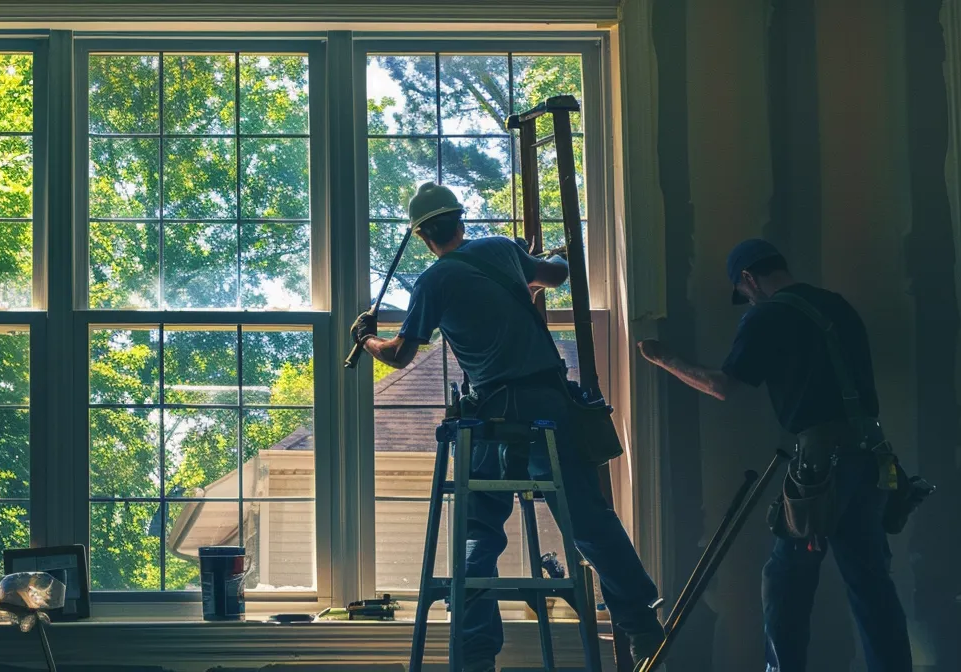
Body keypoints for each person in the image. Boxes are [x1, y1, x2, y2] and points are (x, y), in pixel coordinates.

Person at [354, 183, 666, 671]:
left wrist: (367, 337)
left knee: (478, 532)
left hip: (493, 418)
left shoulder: (433, 283)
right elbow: (558, 274)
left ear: (423, 236)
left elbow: (399, 355)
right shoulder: (501, 250)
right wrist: (532, 263)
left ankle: (475, 654)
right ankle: (642, 626)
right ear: (461, 220)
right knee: (589, 520)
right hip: (549, 406)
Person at [637, 239, 912, 671]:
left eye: (743, 291)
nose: (746, 299)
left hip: (822, 466)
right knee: (871, 583)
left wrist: (665, 359)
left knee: (785, 581)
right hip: (871, 458)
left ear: (749, 279)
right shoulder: (835, 306)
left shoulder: (767, 314)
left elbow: (724, 386)